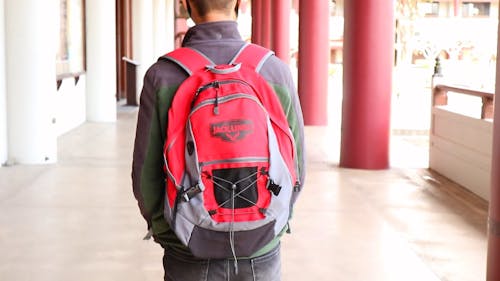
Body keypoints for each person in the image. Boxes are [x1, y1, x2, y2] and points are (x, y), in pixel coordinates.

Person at [131, 0, 305, 280]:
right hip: (261, 245)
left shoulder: (162, 75)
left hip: (188, 246)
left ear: (186, 4)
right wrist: (273, 226)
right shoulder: (274, 71)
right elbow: (295, 166)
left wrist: (173, 233)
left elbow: (145, 176)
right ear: (238, 2)